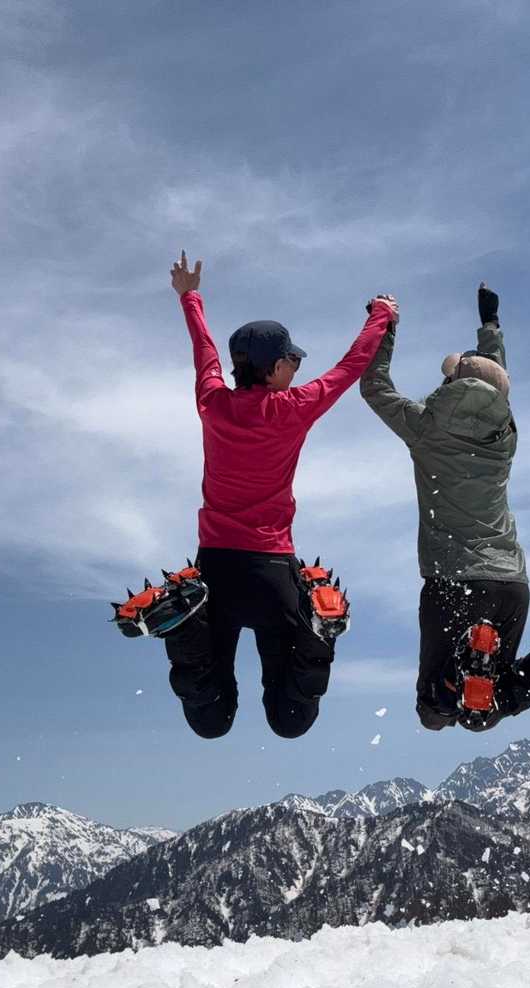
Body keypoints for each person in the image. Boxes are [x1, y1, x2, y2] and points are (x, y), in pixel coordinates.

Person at [117, 252, 399, 740]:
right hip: (273, 574)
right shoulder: (295, 407)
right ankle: (318, 631)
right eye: (293, 359)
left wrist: (190, 297)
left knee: (210, 721)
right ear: (274, 368)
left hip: (216, 572)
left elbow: (204, 352)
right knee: (291, 720)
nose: (298, 366)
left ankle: (184, 628)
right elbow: (352, 365)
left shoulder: (213, 403)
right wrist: (382, 313)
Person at [360, 283, 530, 732]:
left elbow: (374, 386)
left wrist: (385, 327)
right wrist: (490, 325)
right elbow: (495, 378)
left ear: (452, 383)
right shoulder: (505, 434)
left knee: (435, 710)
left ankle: (469, 667)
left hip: (452, 582)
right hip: (510, 585)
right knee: (481, 710)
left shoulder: (425, 427)